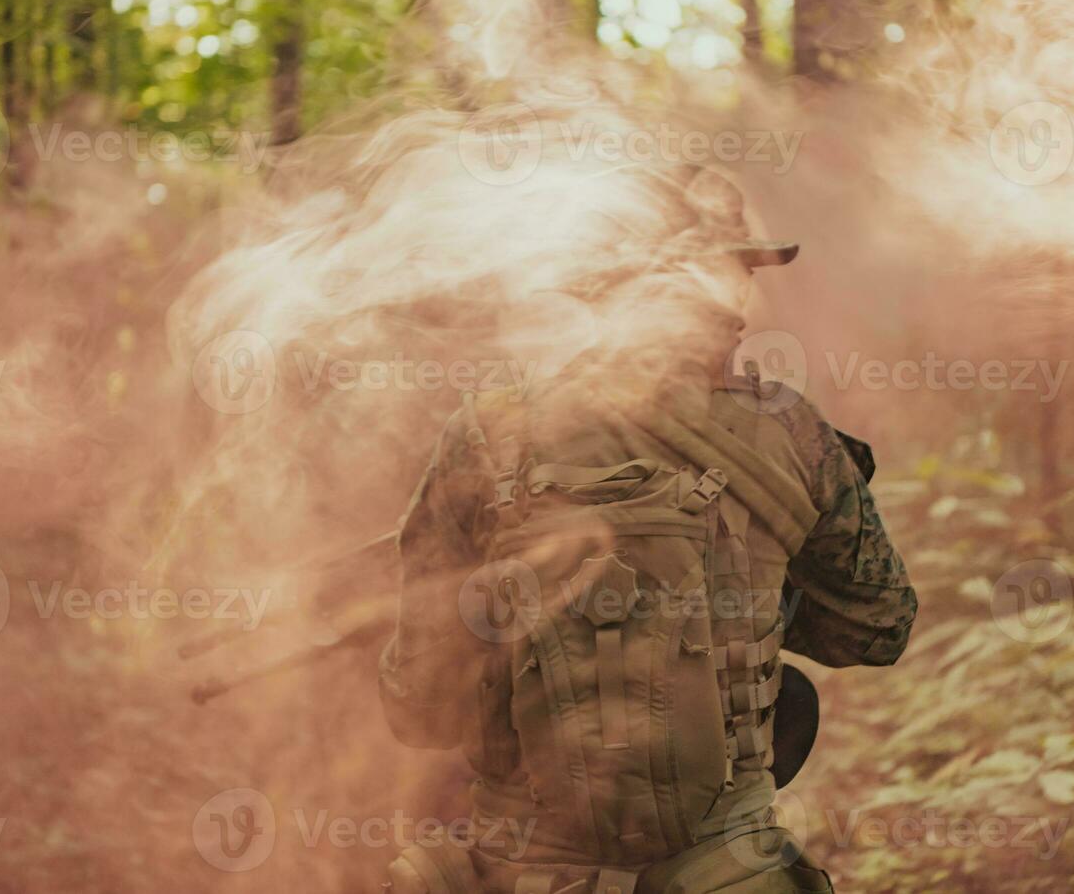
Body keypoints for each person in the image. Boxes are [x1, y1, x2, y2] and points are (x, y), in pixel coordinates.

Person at [378, 166, 917, 894]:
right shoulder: (791, 432)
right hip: (729, 868)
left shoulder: (486, 434)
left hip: (521, 867)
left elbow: (420, 708)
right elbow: (877, 628)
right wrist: (741, 605)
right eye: (739, 272)